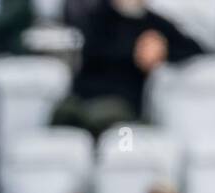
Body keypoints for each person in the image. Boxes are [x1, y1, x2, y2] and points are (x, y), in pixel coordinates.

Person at [51, 0, 202, 138]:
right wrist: (135, 51)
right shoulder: (98, 17)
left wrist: (163, 50)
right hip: (82, 98)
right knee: (64, 116)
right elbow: (94, 51)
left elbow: (195, 49)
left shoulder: (154, 24)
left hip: (121, 103)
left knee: (104, 119)